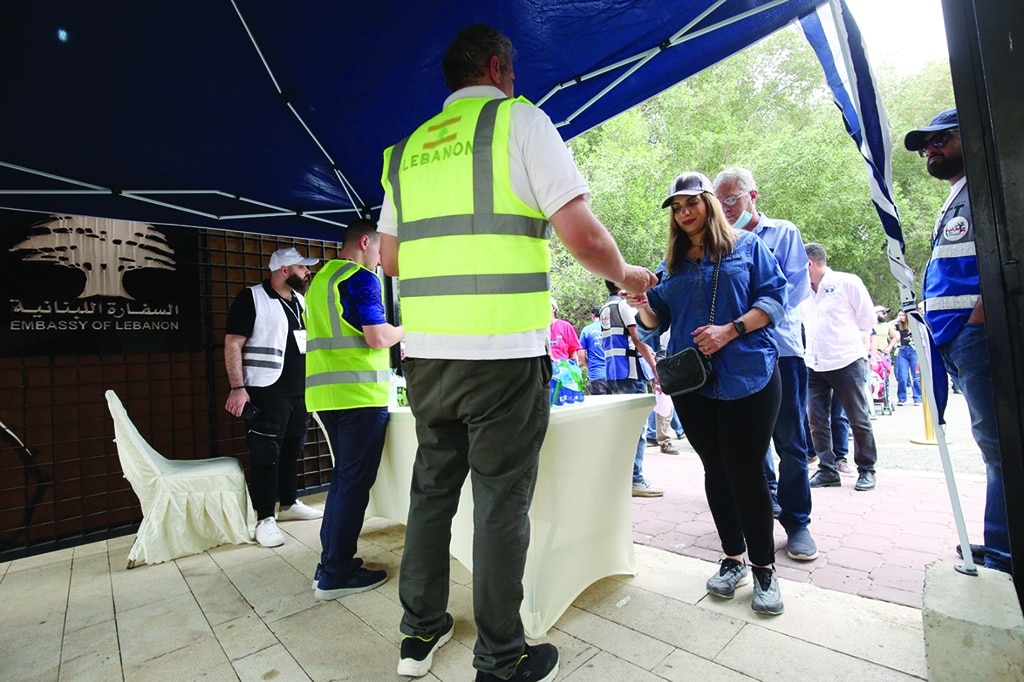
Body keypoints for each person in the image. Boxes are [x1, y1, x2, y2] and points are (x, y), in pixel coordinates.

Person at [378, 24, 657, 682]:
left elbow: (388, 258)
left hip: (426, 359)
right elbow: (583, 236)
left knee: (430, 494)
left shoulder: (406, 150)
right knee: (501, 502)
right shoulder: (519, 122)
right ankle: (501, 657)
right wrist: (626, 276)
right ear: (499, 68)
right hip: (502, 354)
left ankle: (418, 634)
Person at [631, 171, 788, 615]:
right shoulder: (673, 265)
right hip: (693, 384)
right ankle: (733, 559)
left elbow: (776, 299)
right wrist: (639, 302)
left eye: (690, 204)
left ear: (709, 204)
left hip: (749, 375)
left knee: (745, 469)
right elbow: (652, 320)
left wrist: (730, 330)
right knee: (715, 470)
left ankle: (764, 570)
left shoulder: (747, 247)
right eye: (676, 208)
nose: (683, 214)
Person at [905, 107, 1011, 574]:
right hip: (954, 339)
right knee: (991, 442)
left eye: (940, 140)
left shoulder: (986, 187)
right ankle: (1001, 537)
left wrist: (979, 319)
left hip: (974, 336)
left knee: (999, 444)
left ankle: (1006, 552)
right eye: (926, 145)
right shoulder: (957, 196)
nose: (930, 149)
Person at [714, 167, 817, 562]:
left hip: (781, 352)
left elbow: (790, 290)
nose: (724, 209)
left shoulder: (783, 233)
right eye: (718, 202)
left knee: (790, 443)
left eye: (731, 200)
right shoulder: (721, 243)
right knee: (749, 448)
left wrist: (742, 324)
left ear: (752, 196)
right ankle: (760, 511)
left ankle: (797, 523)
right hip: (738, 359)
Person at [304, 220, 404, 599]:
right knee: (352, 484)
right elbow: (377, 336)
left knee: (342, 480)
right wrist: (407, 329)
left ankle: (330, 562)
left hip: (326, 397)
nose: (381, 262)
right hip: (359, 397)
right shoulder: (361, 278)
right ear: (365, 242)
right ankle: (335, 572)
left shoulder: (321, 280)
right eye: (380, 251)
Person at [224, 247, 324, 548]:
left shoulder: (301, 301)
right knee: (266, 453)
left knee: (293, 449)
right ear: (284, 270)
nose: (307, 273)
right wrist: (237, 387)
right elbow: (232, 344)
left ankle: (290, 503)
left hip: (300, 389)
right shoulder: (251, 297)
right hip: (266, 389)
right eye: (302, 268)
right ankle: (265, 518)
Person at [802, 243, 879, 492]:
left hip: (846, 360)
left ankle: (866, 468)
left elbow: (867, 319)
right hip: (814, 362)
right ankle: (827, 468)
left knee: (858, 418)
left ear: (809, 263)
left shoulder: (847, 282)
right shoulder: (802, 290)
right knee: (816, 420)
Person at [600, 279, 664, 494]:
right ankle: (635, 479)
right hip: (631, 371)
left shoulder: (605, 308)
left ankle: (621, 478)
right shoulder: (624, 305)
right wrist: (656, 370)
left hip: (614, 372)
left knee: (623, 428)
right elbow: (639, 339)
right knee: (638, 428)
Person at [893, 310, 922, 406]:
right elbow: (888, 326)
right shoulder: (898, 326)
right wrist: (897, 319)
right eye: (900, 315)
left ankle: (918, 397)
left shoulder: (914, 324)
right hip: (903, 351)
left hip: (913, 350)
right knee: (902, 376)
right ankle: (902, 398)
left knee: (916, 376)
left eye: (903, 315)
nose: (902, 317)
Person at [578, 306, 610, 394]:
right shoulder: (611, 328)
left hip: (596, 374)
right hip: (613, 373)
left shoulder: (587, 330)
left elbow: (580, 355)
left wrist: (591, 366)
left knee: (601, 406)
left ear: (593, 316)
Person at [549, 297, 583, 365]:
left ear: (553, 308)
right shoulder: (537, 330)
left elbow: (573, 352)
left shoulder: (566, 326)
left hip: (563, 370)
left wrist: (575, 372)